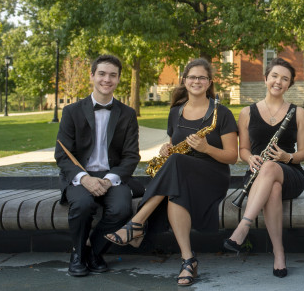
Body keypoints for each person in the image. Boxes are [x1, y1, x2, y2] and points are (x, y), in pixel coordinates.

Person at [104, 59, 238, 286]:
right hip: (181, 176)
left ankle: (136, 224)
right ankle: (188, 260)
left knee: (176, 164)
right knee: (176, 186)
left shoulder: (221, 113)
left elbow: (232, 157)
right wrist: (165, 150)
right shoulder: (175, 112)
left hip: (212, 176)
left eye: (202, 78)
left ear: (209, 82)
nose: (197, 81)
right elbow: (172, 146)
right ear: (184, 80)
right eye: (192, 77)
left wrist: (206, 148)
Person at [55, 54, 140, 277]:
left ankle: (93, 251)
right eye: (101, 74)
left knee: (122, 209)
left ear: (119, 79)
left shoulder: (128, 114)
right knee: (83, 206)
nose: (106, 79)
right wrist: (85, 178)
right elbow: (62, 155)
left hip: (112, 175)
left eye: (113, 75)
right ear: (92, 75)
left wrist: (109, 179)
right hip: (81, 176)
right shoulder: (71, 112)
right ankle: (77, 254)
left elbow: (131, 156)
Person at [224, 58, 304, 278]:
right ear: (265, 78)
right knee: (272, 188)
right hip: (257, 175)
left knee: (271, 167)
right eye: (274, 76)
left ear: (289, 85)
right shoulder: (247, 112)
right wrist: (250, 158)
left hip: (291, 174)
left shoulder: (298, 113)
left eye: (285, 79)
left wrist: (287, 156)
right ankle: (279, 254)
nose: (278, 82)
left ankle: (243, 226)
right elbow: (242, 149)